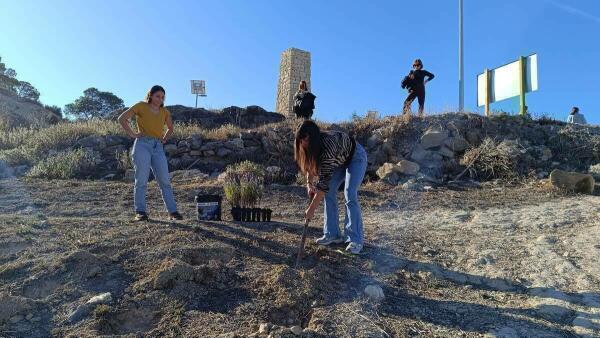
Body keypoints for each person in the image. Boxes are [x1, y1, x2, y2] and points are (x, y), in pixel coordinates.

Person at [294, 120, 368, 254]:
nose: (302, 143)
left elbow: (323, 185)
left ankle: (355, 239)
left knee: (349, 193)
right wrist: (309, 185)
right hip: (339, 159)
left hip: (356, 157)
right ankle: (332, 234)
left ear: (312, 138)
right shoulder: (310, 146)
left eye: (304, 140)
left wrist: (311, 209)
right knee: (329, 193)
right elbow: (309, 167)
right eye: (300, 140)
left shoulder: (328, 146)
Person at [118, 85, 183, 221]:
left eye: (162, 97)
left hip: (158, 147)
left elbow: (170, 128)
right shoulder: (141, 106)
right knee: (141, 179)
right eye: (157, 96)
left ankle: (173, 212)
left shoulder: (164, 112)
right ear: (151, 95)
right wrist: (133, 134)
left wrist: (164, 138)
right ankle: (140, 212)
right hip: (142, 144)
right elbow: (122, 119)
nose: (160, 99)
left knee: (164, 180)